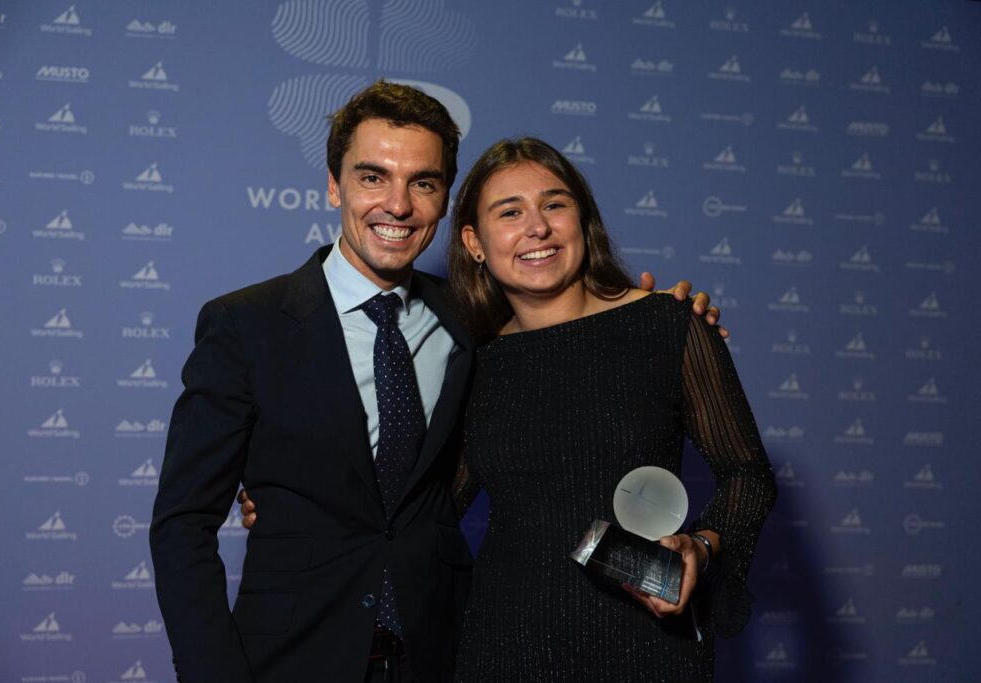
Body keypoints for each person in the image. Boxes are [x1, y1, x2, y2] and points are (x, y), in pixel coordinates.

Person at [154, 80, 720, 683]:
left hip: (443, 653)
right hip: (292, 657)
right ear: (334, 184)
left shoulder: (471, 321)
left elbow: (562, 342)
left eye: (422, 182)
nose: (397, 205)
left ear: (446, 198)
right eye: (373, 177)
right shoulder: (246, 325)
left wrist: (658, 315)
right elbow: (184, 525)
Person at [445, 138, 777, 682]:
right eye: (509, 212)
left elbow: (749, 475)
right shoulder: (473, 365)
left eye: (554, 204)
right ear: (474, 242)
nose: (537, 228)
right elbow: (430, 511)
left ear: (583, 220)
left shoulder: (666, 324)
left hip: (646, 646)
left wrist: (700, 548)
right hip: (504, 648)